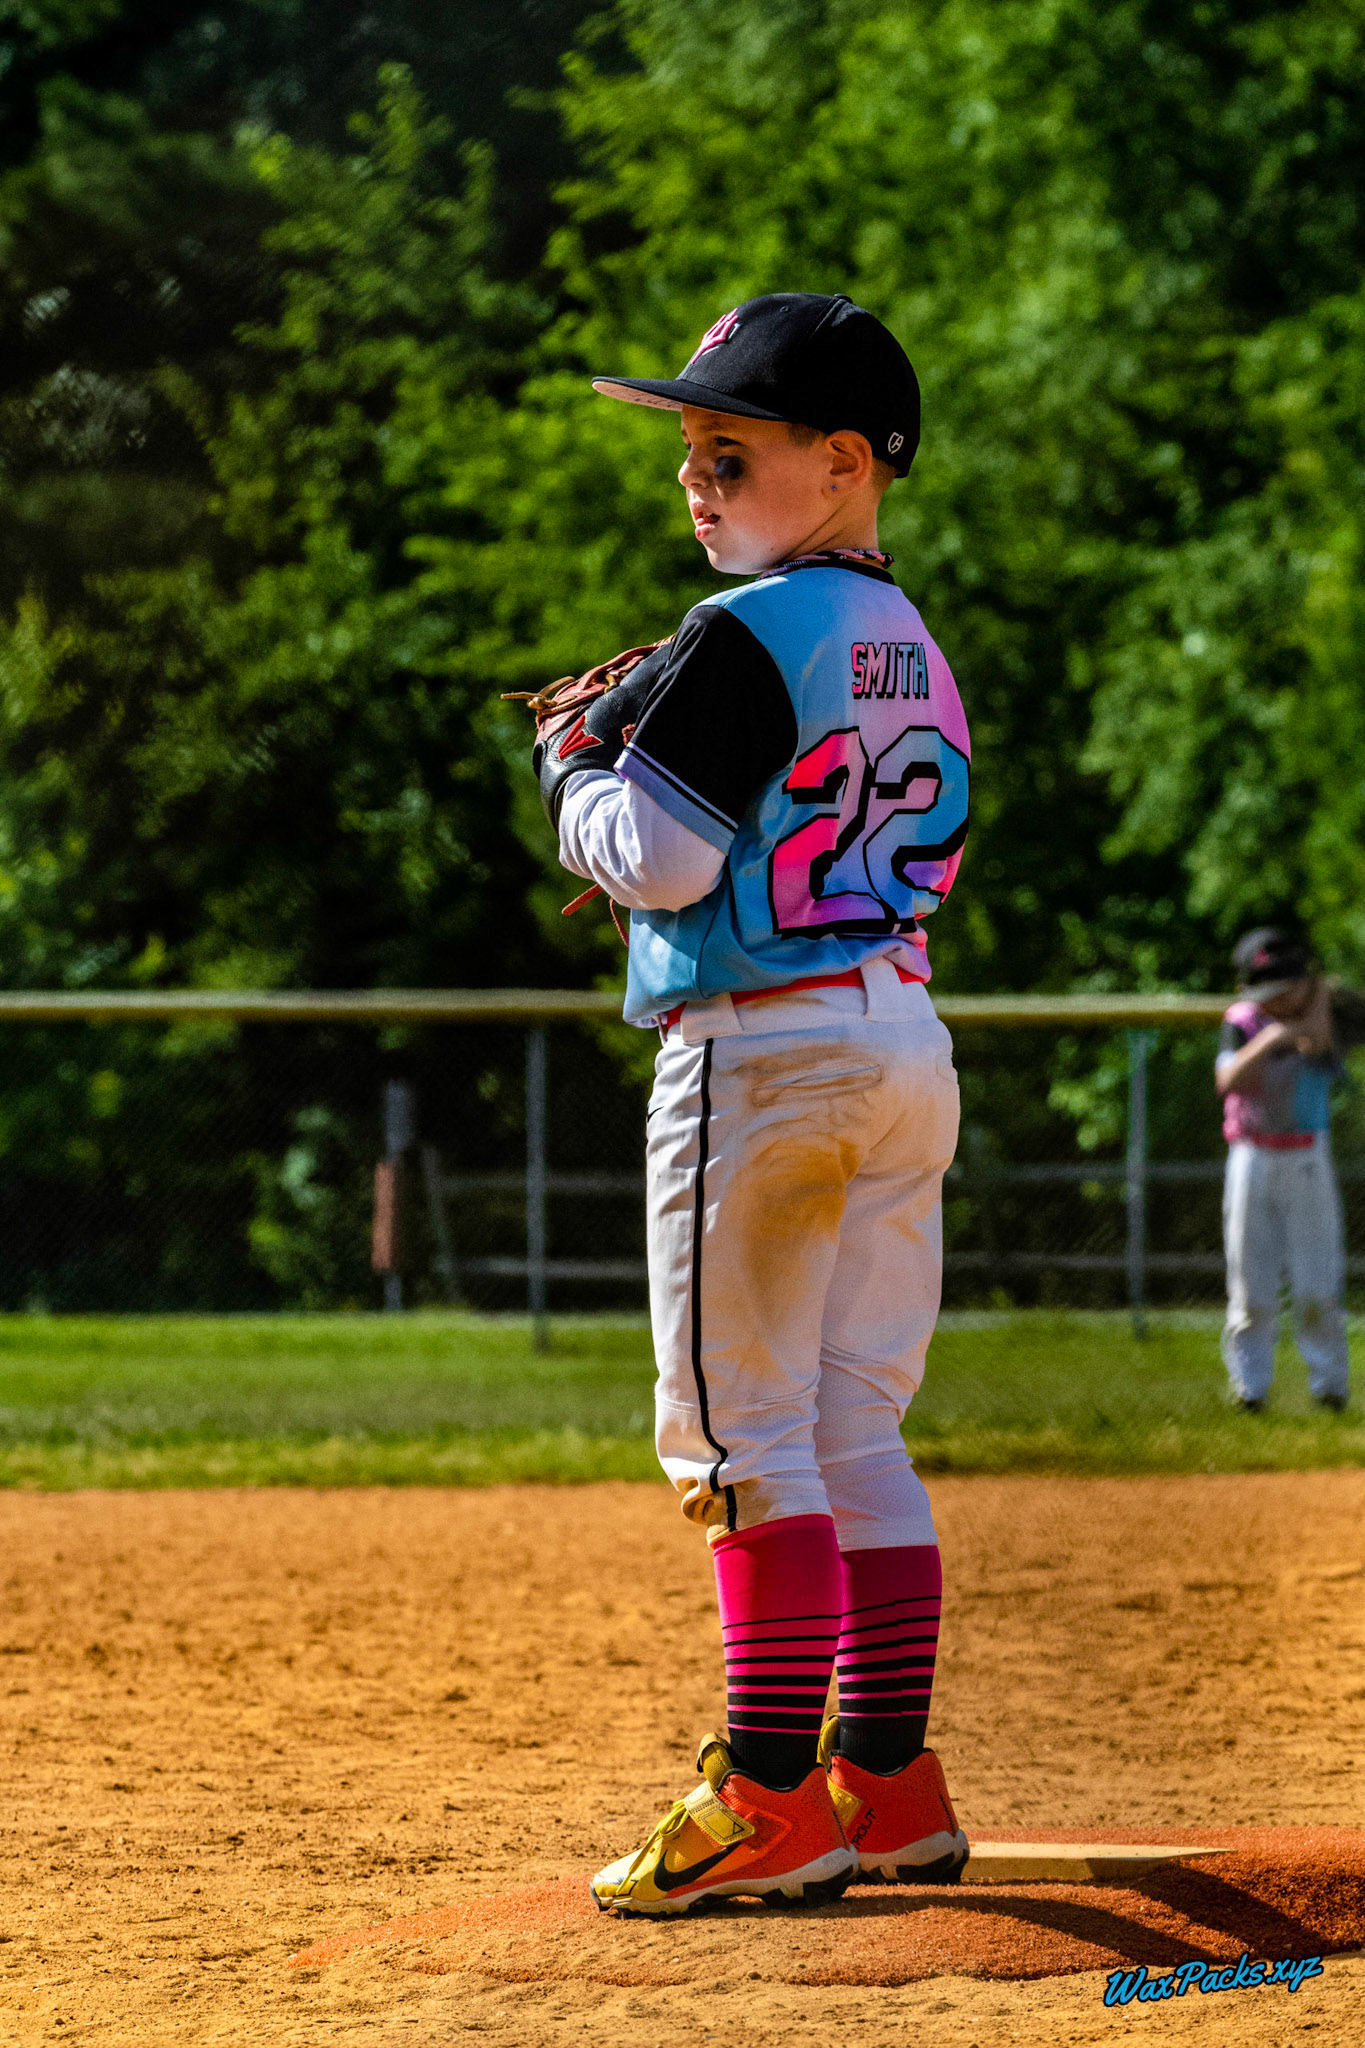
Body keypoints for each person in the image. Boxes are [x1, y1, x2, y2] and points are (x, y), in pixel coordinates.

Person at [532, 293, 971, 1914]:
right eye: (691, 457)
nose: (694, 482)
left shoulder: (741, 635)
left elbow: (661, 856)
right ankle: (892, 1776)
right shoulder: (911, 643)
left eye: (730, 450)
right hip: (901, 1039)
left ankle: (772, 1793)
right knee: (859, 1422)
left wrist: (575, 771)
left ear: (845, 463)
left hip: (764, 1056)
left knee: (737, 1436)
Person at [1216, 928, 1350, 1413]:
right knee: (1251, 1286)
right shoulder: (1244, 1022)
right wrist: (1273, 1036)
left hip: (1307, 1156)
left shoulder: (1327, 1015)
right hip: (1251, 1156)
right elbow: (1228, 1079)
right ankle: (1249, 1389)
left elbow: (1320, 1040)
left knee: (1318, 1283)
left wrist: (1313, 995)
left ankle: (1329, 1387)